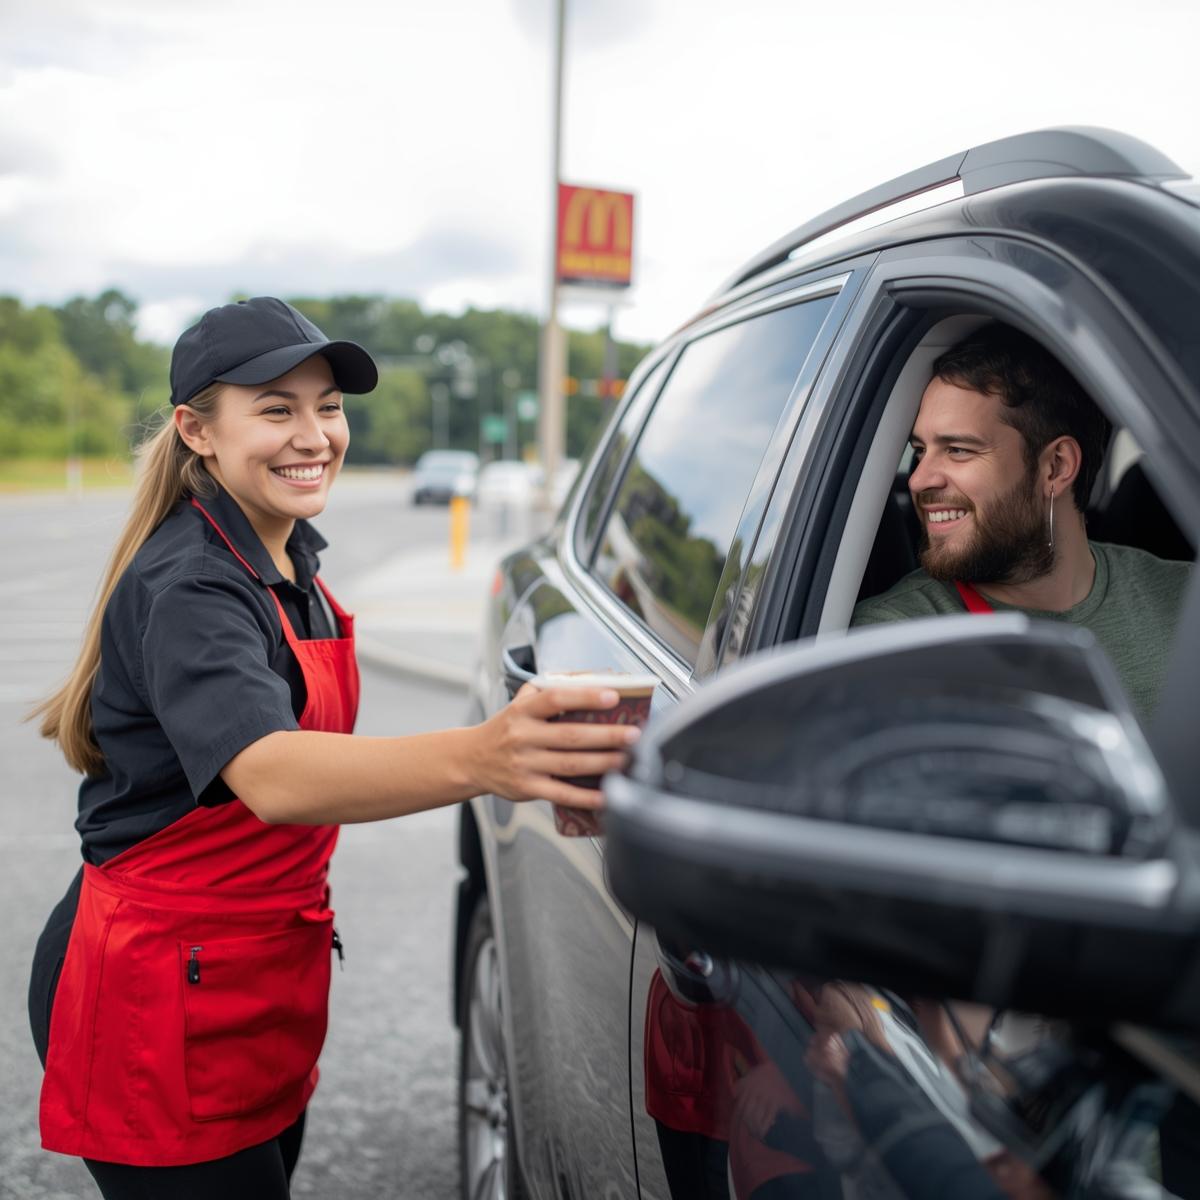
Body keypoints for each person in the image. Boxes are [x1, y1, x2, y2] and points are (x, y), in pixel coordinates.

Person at [27, 297, 638, 1198]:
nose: (313, 434)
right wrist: (485, 756)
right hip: (157, 997)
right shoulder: (193, 583)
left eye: (329, 406)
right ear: (197, 430)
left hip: (253, 971)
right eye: (275, 408)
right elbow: (271, 773)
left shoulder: (283, 556)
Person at [852, 323, 1191, 722]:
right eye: (920, 450)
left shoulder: (1184, 600)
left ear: (1055, 467)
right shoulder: (894, 641)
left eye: (958, 450)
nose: (919, 479)